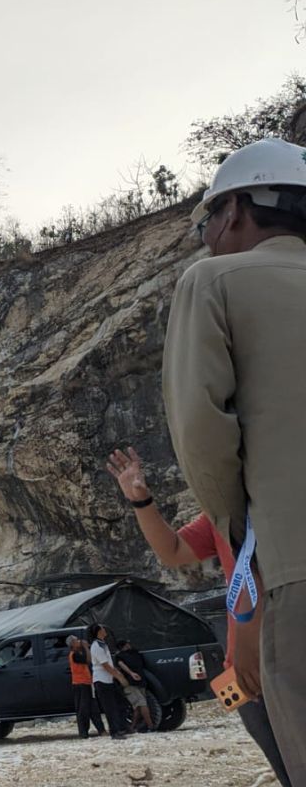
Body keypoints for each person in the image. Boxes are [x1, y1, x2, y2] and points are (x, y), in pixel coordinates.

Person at [163, 136, 306, 784]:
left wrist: (245, 540)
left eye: (208, 222)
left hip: (289, 582)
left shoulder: (215, 283)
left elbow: (202, 436)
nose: (208, 240)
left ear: (238, 210)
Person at [106, 447, 291, 784]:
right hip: (245, 675)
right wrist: (141, 502)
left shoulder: (288, 501)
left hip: (289, 665)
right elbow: (173, 551)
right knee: (286, 770)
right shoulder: (221, 516)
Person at [87, 623, 129, 740]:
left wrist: (117, 674)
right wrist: (119, 677)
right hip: (102, 680)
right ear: (98, 631)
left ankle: (121, 727)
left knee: (119, 703)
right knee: (110, 707)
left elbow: (109, 663)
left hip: (108, 679)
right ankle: (114, 732)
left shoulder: (103, 644)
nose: (105, 630)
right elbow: (105, 665)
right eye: (102, 628)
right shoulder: (96, 646)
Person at [67, 634, 105, 739]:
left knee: (93, 707)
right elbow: (88, 660)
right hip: (80, 684)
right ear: (73, 644)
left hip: (87, 683)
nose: (79, 641)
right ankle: (83, 733)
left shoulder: (78, 653)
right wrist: (86, 647)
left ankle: (101, 730)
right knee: (83, 709)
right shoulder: (74, 655)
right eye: (76, 640)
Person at [114, 640, 153, 733]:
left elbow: (121, 665)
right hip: (140, 682)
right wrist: (132, 673)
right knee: (141, 704)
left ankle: (133, 727)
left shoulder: (119, 656)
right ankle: (150, 725)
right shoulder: (137, 654)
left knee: (138, 706)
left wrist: (131, 674)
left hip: (130, 683)